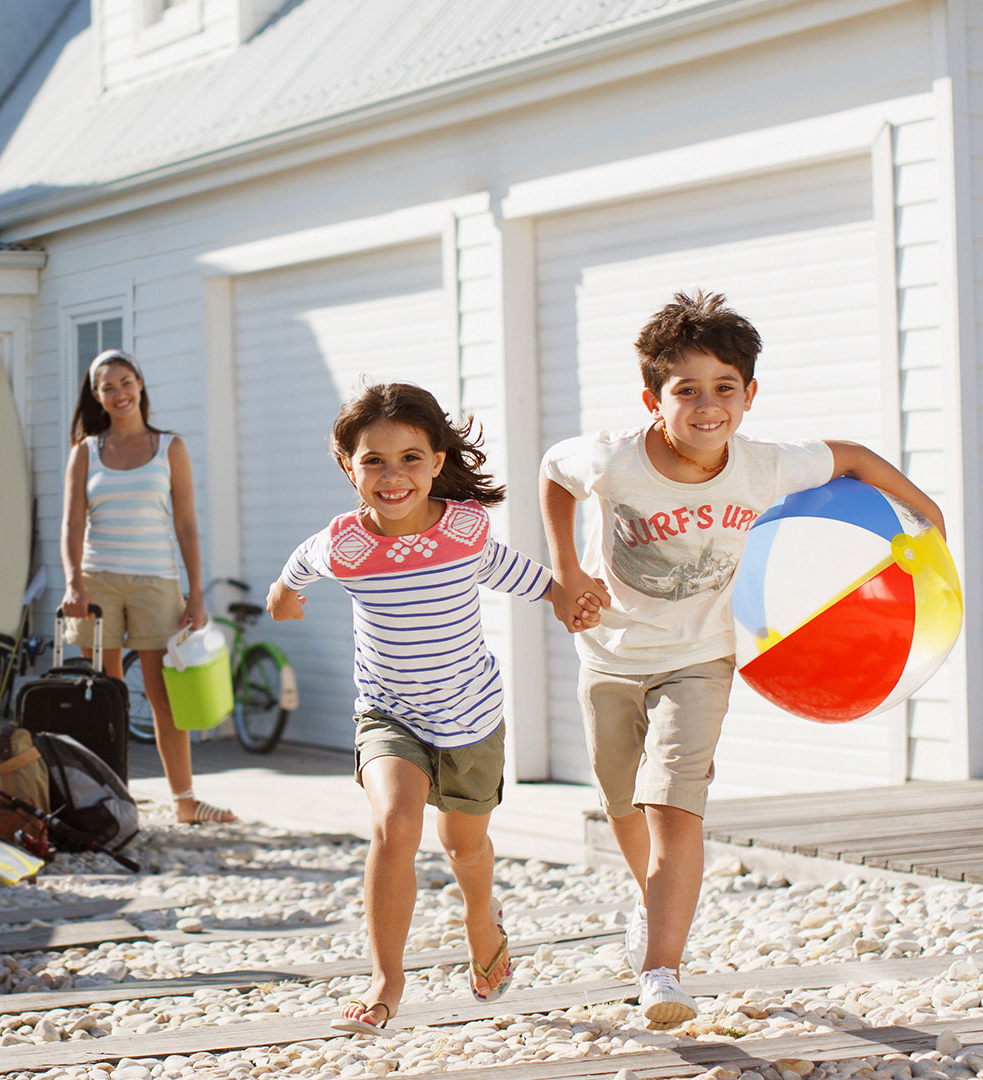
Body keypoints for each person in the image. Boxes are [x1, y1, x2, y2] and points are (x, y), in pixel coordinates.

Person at [539, 290, 947, 1024]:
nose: (707, 406)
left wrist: (929, 513)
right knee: (620, 801)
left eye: (725, 388)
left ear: (749, 394)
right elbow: (552, 473)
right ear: (652, 398)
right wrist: (566, 571)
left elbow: (852, 457)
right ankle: (649, 902)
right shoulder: (613, 458)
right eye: (685, 390)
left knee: (674, 806)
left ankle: (662, 971)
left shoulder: (764, 466)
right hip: (610, 655)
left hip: (700, 658)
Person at [265, 382, 581, 1036]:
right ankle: (386, 980)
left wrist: (563, 596)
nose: (392, 475)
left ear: (438, 460)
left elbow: (513, 571)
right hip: (389, 714)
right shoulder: (348, 545)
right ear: (348, 465)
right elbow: (300, 564)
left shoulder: (463, 531)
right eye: (373, 460)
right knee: (395, 826)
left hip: (470, 715)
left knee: (464, 849)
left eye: (411, 457)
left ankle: (479, 919)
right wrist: (282, 595)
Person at [60, 349, 237, 826]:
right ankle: (112, 797)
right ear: (96, 396)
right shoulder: (86, 452)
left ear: (140, 384)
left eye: (125, 381)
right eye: (107, 386)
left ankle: (184, 801)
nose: (118, 393)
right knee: (105, 697)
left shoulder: (169, 447)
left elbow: (186, 524)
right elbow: (73, 523)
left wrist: (196, 593)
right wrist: (73, 582)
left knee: (164, 699)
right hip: (97, 584)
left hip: (157, 583)